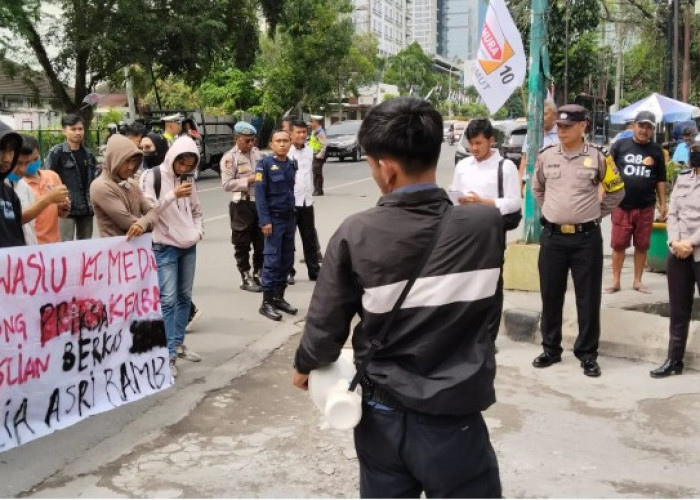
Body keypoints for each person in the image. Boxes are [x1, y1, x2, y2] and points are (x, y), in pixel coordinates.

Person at [292, 97, 503, 498]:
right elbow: (489, 312)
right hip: (456, 419)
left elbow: (325, 326)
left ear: (386, 169)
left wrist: (305, 367)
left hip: (383, 417)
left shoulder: (357, 233)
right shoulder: (485, 224)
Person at [532, 104, 625, 378]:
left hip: (586, 239)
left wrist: (595, 215)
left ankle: (587, 354)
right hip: (552, 237)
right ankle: (550, 349)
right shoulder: (546, 156)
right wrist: (553, 212)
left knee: (588, 298)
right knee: (550, 295)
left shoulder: (599, 158)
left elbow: (616, 191)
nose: (561, 131)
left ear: (583, 126)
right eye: (559, 126)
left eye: (567, 126)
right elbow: (537, 188)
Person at [140, 136, 204, 378]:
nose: (185, 169)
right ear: (172, 158)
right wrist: (172, 196)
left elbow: (197, 210)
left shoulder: (189, 180)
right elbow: (149, 212)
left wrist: (199, 231)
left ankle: (178, 344)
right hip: (164, 245)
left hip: (188, 244)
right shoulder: (152, 177)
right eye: (181, 164)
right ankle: (167, 355)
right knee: (167, 300)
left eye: (189, 165)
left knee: (184, 297)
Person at [649, 138, 700, 378]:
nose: (696, 154)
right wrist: (674, 242)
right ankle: (674, 359)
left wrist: (690, 242)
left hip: (695, 248)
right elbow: (673, 213)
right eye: (695, 150)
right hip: (678, 250)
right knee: (678, 310)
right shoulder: (684, 178)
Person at [606, 111, 667, 294]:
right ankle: (615, 281)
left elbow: (661, 179)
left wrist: (663, 204)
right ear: (634, 126)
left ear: (653, 130)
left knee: (642, 245)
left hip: (646, 206)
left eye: (648, 127)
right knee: (618, 245)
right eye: (641, 126)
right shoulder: (620, 145)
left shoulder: (656, 150)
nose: (644, 131)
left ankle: (638, 281)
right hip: (621, 205)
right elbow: (606, 171)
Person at [255, 130, 298, 321]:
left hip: (289, 219)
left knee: (287, 259)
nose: (282, 144)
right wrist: (265, 220)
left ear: (290, 143)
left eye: (285, 141)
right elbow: (260, 195)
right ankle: (266, 303)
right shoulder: (264, 165)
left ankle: (279, 297)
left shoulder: (291, 164)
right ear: (271, 144)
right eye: (278, 141)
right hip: (273, 220)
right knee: (272, 260)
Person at [220, 121, 264, 292]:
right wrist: (249, 180)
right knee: (242, 243)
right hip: (242, 205)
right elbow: (226, 184)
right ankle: (245, 276)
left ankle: (258, 273)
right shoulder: (230, 158)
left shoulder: (257, 153)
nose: (251, 143)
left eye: (253, 140)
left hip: (259, 203)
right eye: (247, 140)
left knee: (261, 242)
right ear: (237, 138)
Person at [46, 113, 98, 241]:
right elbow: (47, 178)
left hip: (87, 208)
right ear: (64, 131)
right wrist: (58, 202)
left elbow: (95, 179)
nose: (78, 132)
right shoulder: (56, 152)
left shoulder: (89, 154)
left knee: (86, 246)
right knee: (65, 244)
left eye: (80, 129)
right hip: (66, 208)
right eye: (73, 129)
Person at [9, 135, 70, 245]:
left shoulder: (51, 176)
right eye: (19, 163)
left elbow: (61, 213)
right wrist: (48, 198)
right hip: (25, 247)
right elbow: (15, 219)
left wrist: (64, 207)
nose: (23, 168)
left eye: (33, 160)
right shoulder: (12, 184)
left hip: (52, 243)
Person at [288, 120, 321, 282]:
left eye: (304, 132)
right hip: (290, 202)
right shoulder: (286, 151)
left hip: (307, 202)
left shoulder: (309, 151)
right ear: (291, 134)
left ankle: (314, 271)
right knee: (288, 239)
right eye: (298, 132)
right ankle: (289, 271)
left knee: (309, 238)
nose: (302, 135)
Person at [519, 100, 559, 186]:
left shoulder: (562, 135)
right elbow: (524, 159)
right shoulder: (531, 134)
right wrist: (519, 185)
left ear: (555, 115)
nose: (541, 117)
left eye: (545, 114)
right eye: (539, 114)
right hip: (530, 183)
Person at [0, 123, 26, 248]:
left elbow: (17, 237)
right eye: (1, 151)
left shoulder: (10, 194)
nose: (6, 159)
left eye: (11, 151)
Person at [309, 115, 328, 196]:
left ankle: (318, 190)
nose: (310, 123)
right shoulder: (315, 131)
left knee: (317, 173)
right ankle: (317, 189)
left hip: (318, 155)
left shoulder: (319, 132)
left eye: (312, 122)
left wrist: (320, 155)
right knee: (315, 172)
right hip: (314, 154)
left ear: (316, 122)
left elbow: (325, 144)